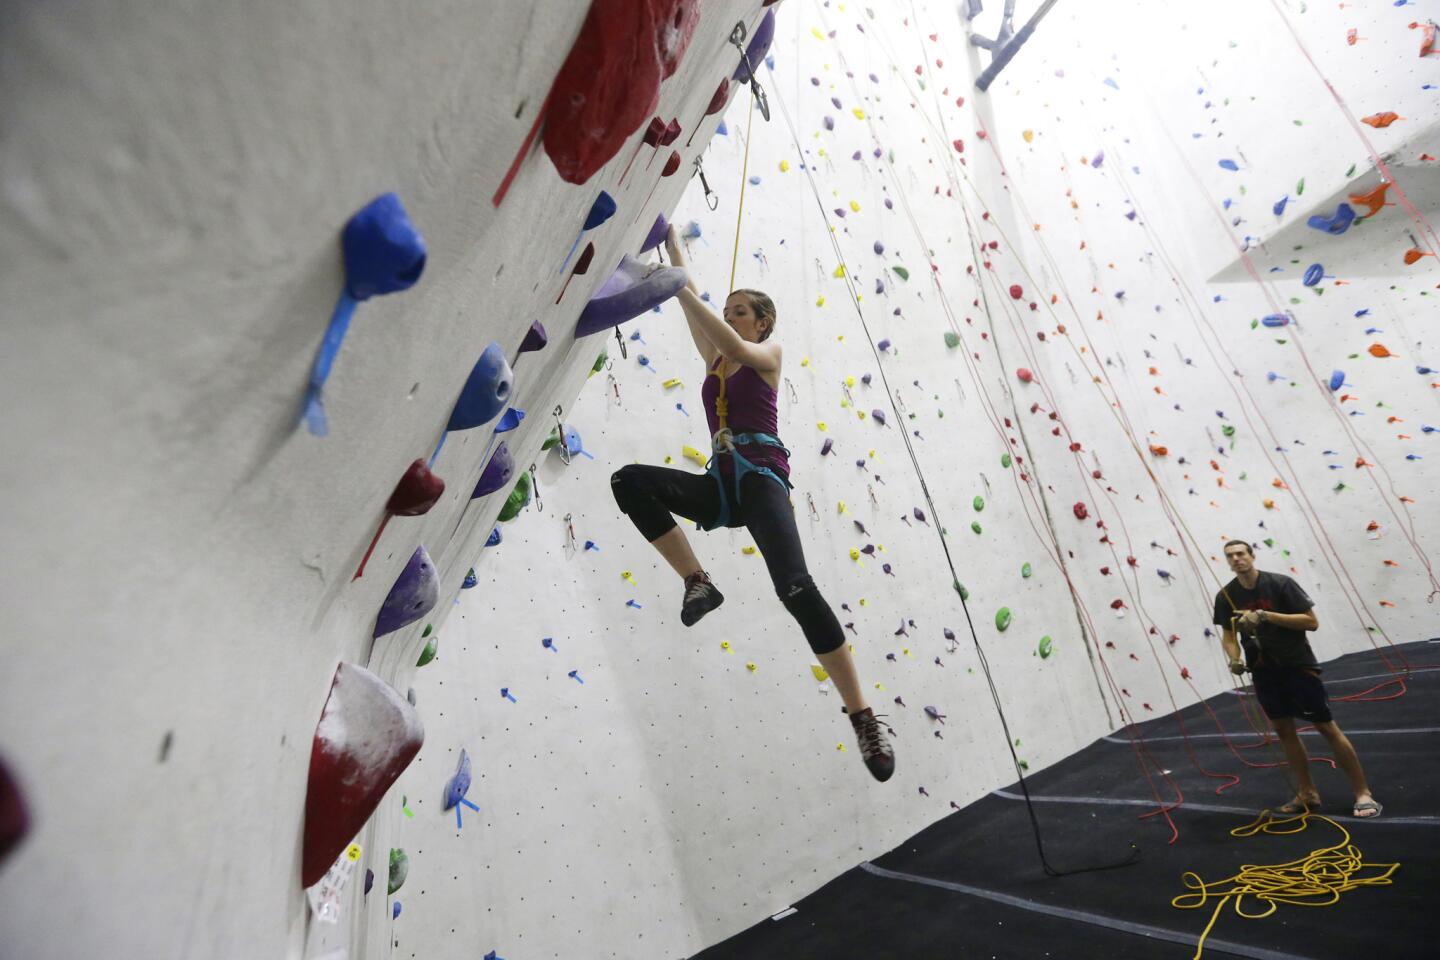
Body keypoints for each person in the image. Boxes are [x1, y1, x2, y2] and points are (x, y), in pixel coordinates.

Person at [610, 225, 896, 782]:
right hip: (723, 486)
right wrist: (672, 249)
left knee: (795, 587)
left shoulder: (765, 353)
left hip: (761, 480)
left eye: (739, 310)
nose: (730, 315)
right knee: (629, 481)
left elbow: (728, 338)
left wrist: (677, 286)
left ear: (761, 322)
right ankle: (698, 580)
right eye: (728, 308)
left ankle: (861, 715)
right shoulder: (716, 363)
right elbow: (699, 319)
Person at [1213, 539, 1380, 818]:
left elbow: (1310, 622)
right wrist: (1234, 658)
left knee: (1325, 726)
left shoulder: (1280, 584)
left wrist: (1265, 616)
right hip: (1263, 670)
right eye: (1231, 556)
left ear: (1252, 556)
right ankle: (1307, 793)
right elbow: (1229, 635)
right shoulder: (1226, 596)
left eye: (1241, 553)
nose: (1237, 559)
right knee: (1283, 730)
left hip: (1296, 665)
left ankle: (1363, 793)